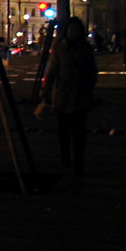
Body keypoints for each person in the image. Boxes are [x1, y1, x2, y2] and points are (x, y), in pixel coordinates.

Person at [40, 16, 98, 177]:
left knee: (79, 131)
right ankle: (66, 157)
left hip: (81, 94)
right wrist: (46, 90)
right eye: (72, 30)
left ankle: (78, 161)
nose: (74, 33)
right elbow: (52, 70)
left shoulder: (85, 48)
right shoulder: (59, 48)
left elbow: (92, 70)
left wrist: (90, 86)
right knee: (63, 130)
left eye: (77, 30)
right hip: (63, 94)